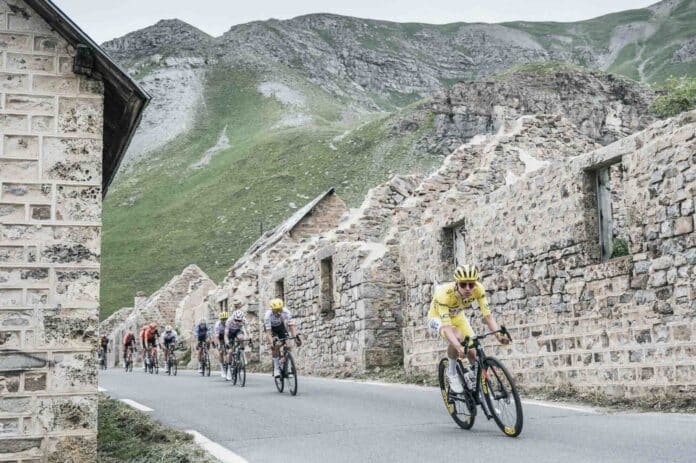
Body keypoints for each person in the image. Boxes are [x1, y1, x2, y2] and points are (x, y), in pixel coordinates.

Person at [427, 264, 509, 393]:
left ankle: (474, 379)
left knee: (473, 352)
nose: (467, 288)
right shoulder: (443, 293)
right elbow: (447, 327)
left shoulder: (478, 289)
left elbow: (488, 316)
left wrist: (498, 336)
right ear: (456, 283)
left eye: (471, 284)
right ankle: (452, 372)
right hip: (438, 318)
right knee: (457, 336)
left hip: (458, 317)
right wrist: (458, 347)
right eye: (463, 284)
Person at [264, 298, 301, 378]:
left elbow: (291, 326)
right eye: (276, 310)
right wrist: (271, 342)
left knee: (288, 344)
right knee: (275, 346)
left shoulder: (286, 312)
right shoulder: (268, 315)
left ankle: (288, 368)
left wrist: (295, 337)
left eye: (280, 309)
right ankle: (276, 368)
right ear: (272, 309)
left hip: (280, 327)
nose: (278, 312)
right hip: (271, 329)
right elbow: (268, 332)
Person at [225, 309, 248, 381]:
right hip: (230, 333)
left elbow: (248, 330)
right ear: (233, 318)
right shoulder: (229, 321)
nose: (237, 322)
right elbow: (226, 334)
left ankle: (242, 353)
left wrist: (249, 338)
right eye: (236, 320)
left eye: (239, 321)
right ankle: (229, 369)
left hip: (238, 331)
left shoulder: (244, 320)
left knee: (241, 338)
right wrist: (227, 342)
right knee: (230, 351)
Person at [214, 312, 229, 378]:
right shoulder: (218, 324)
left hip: (227, 335)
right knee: (221, 352)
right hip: (220, 337)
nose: (224, 320)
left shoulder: (229, 323)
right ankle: (222, 369)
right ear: (220, 319)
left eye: (226, 319)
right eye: (223, 319)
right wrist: (219, 344)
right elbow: (217, 337)